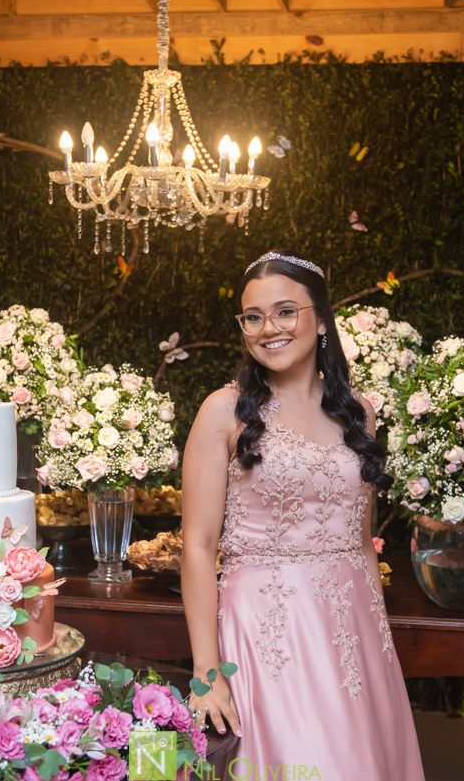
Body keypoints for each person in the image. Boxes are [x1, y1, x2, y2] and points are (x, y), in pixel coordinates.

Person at [181, 251, 427, 780]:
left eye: (285, 311)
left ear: (320, 320)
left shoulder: (359, 412)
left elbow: (360, 537)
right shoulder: (224, 410)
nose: (268, 328)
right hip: (268, 626)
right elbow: (197, 546)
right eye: (253, 316)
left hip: (355, 626)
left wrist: (378, 634)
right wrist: (206, 672)